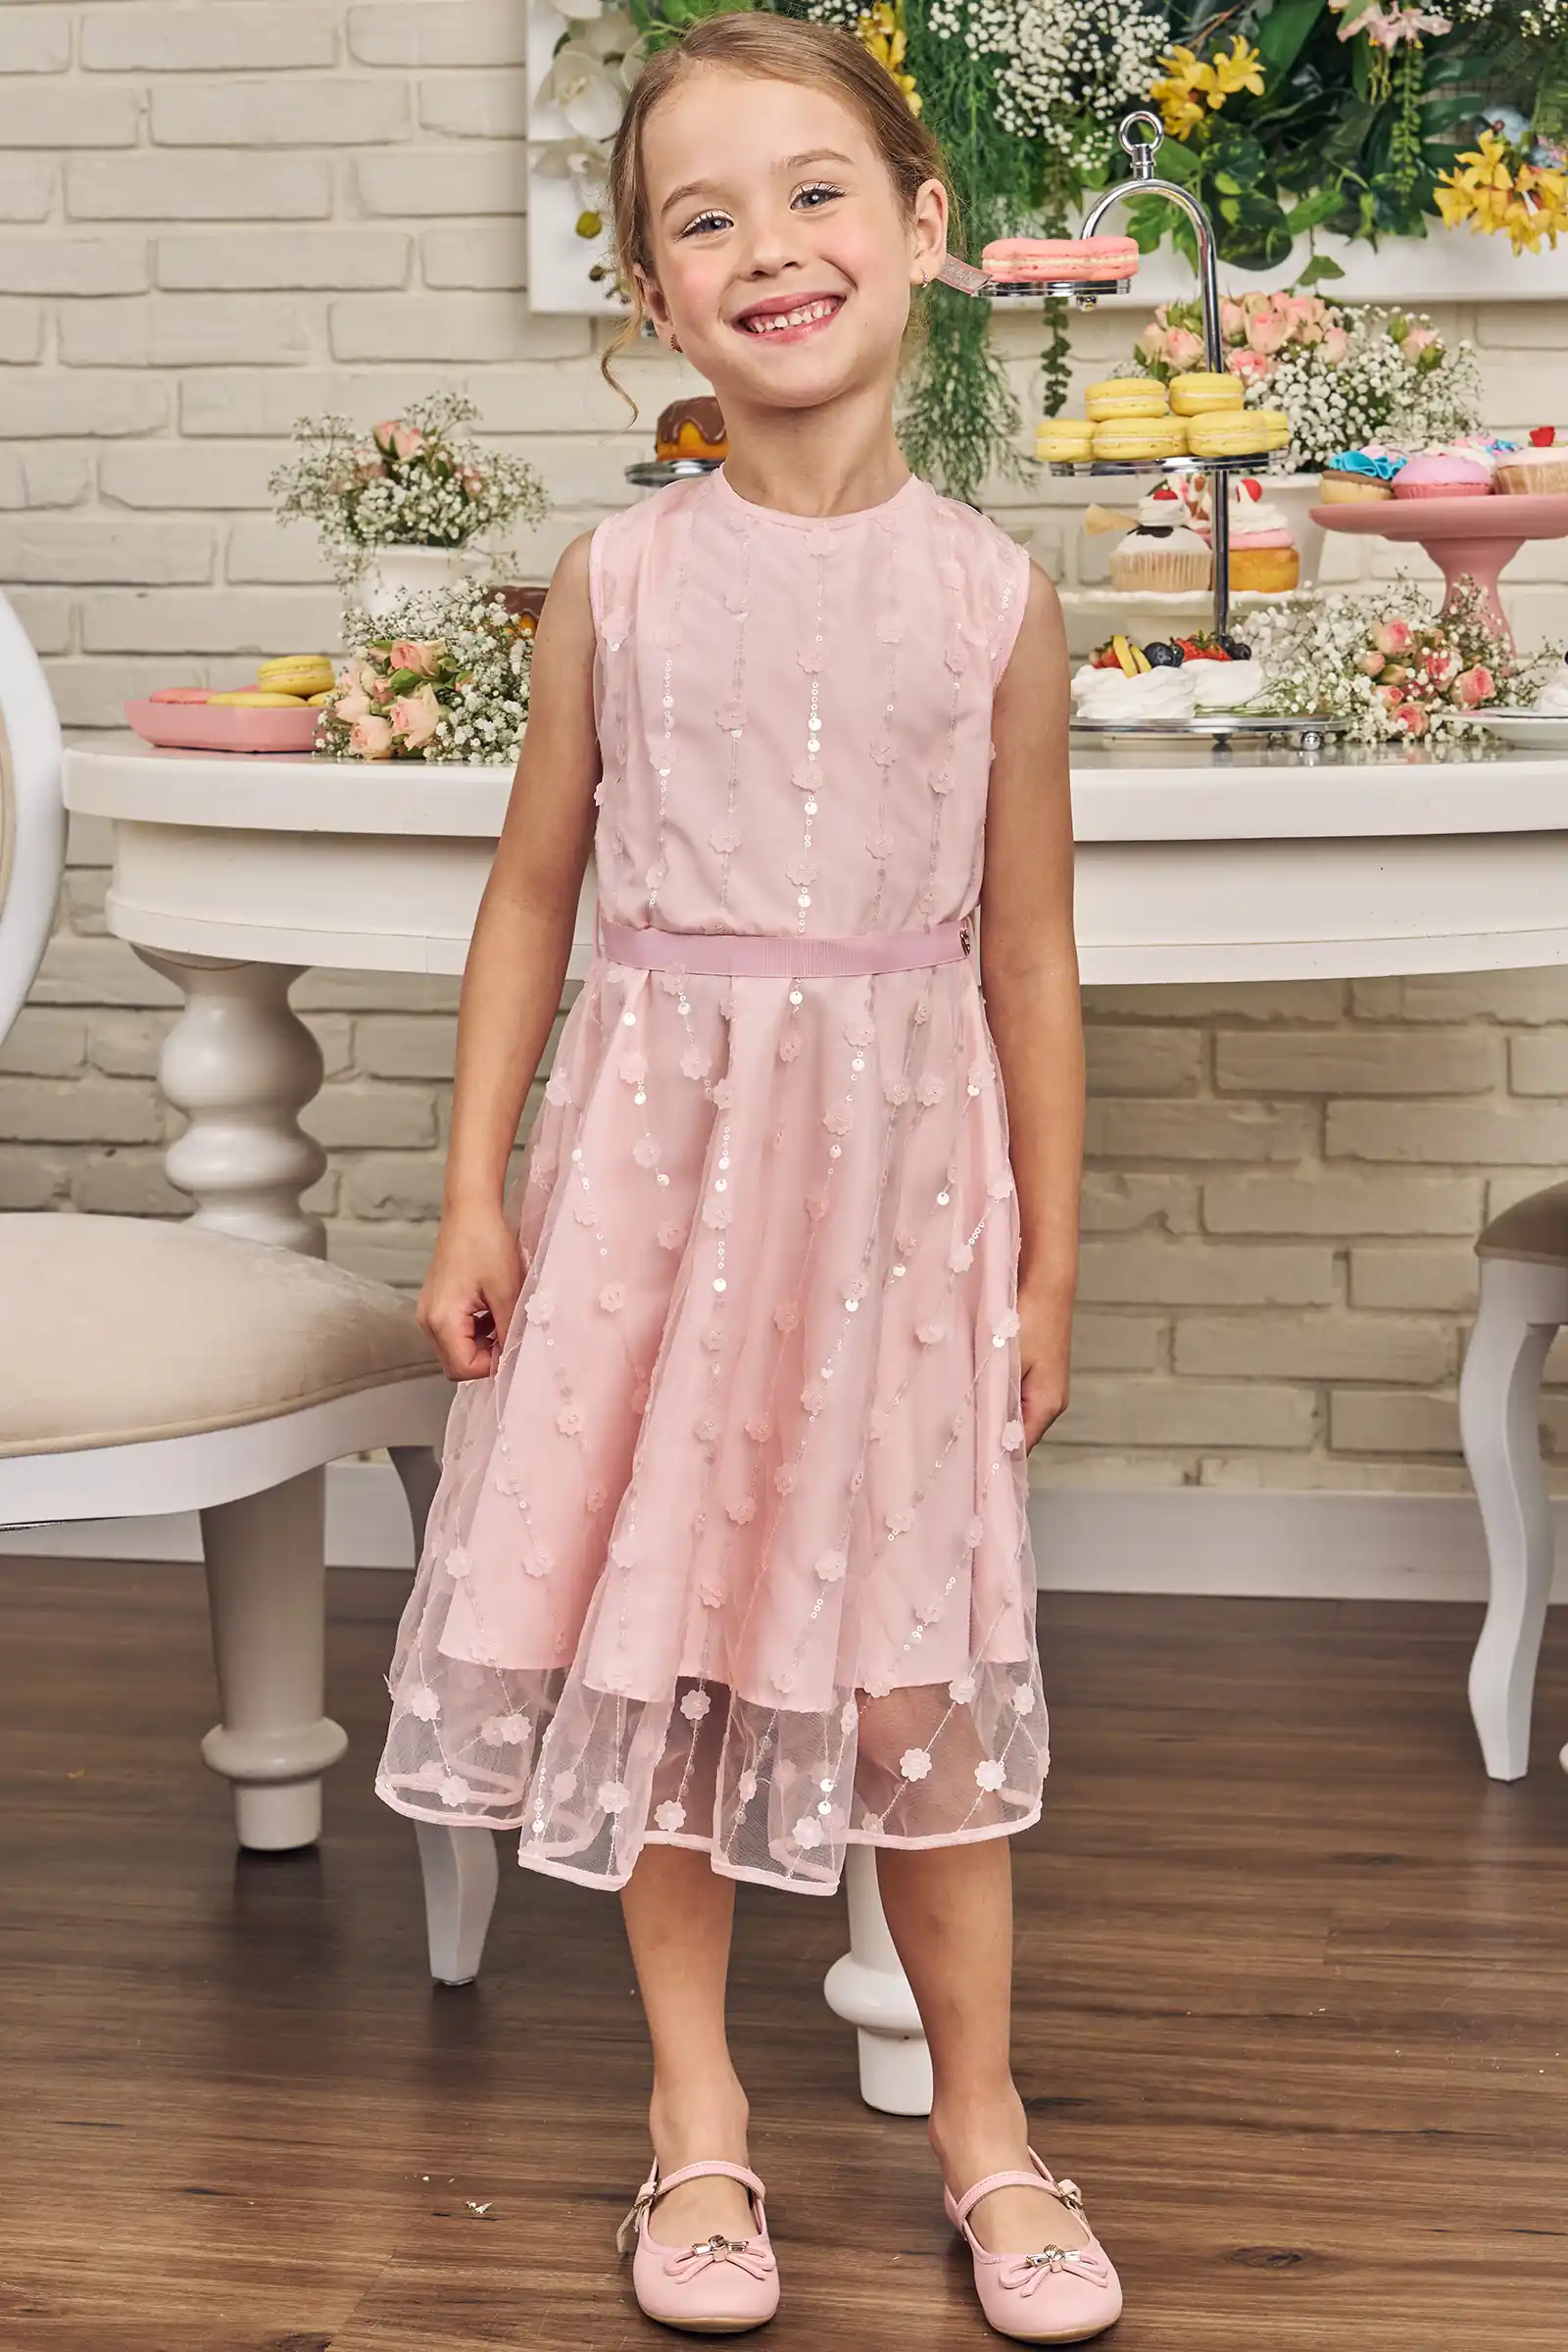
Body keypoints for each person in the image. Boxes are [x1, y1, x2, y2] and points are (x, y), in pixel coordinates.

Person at [375, 13, 1106, 2339]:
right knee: (673, 1647)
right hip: (652, 1200)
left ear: (921, 228)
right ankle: (695, 2116)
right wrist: (473, 1192)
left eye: (814, 194)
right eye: (704, 219)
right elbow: (529, 898)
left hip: (899, 1210)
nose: (768, 248)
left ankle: (985, 2128)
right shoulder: (617, 581)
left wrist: (1048, 1268)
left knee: (910, 1681)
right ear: (653, 297)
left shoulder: (991, 597)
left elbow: (1028, 953)